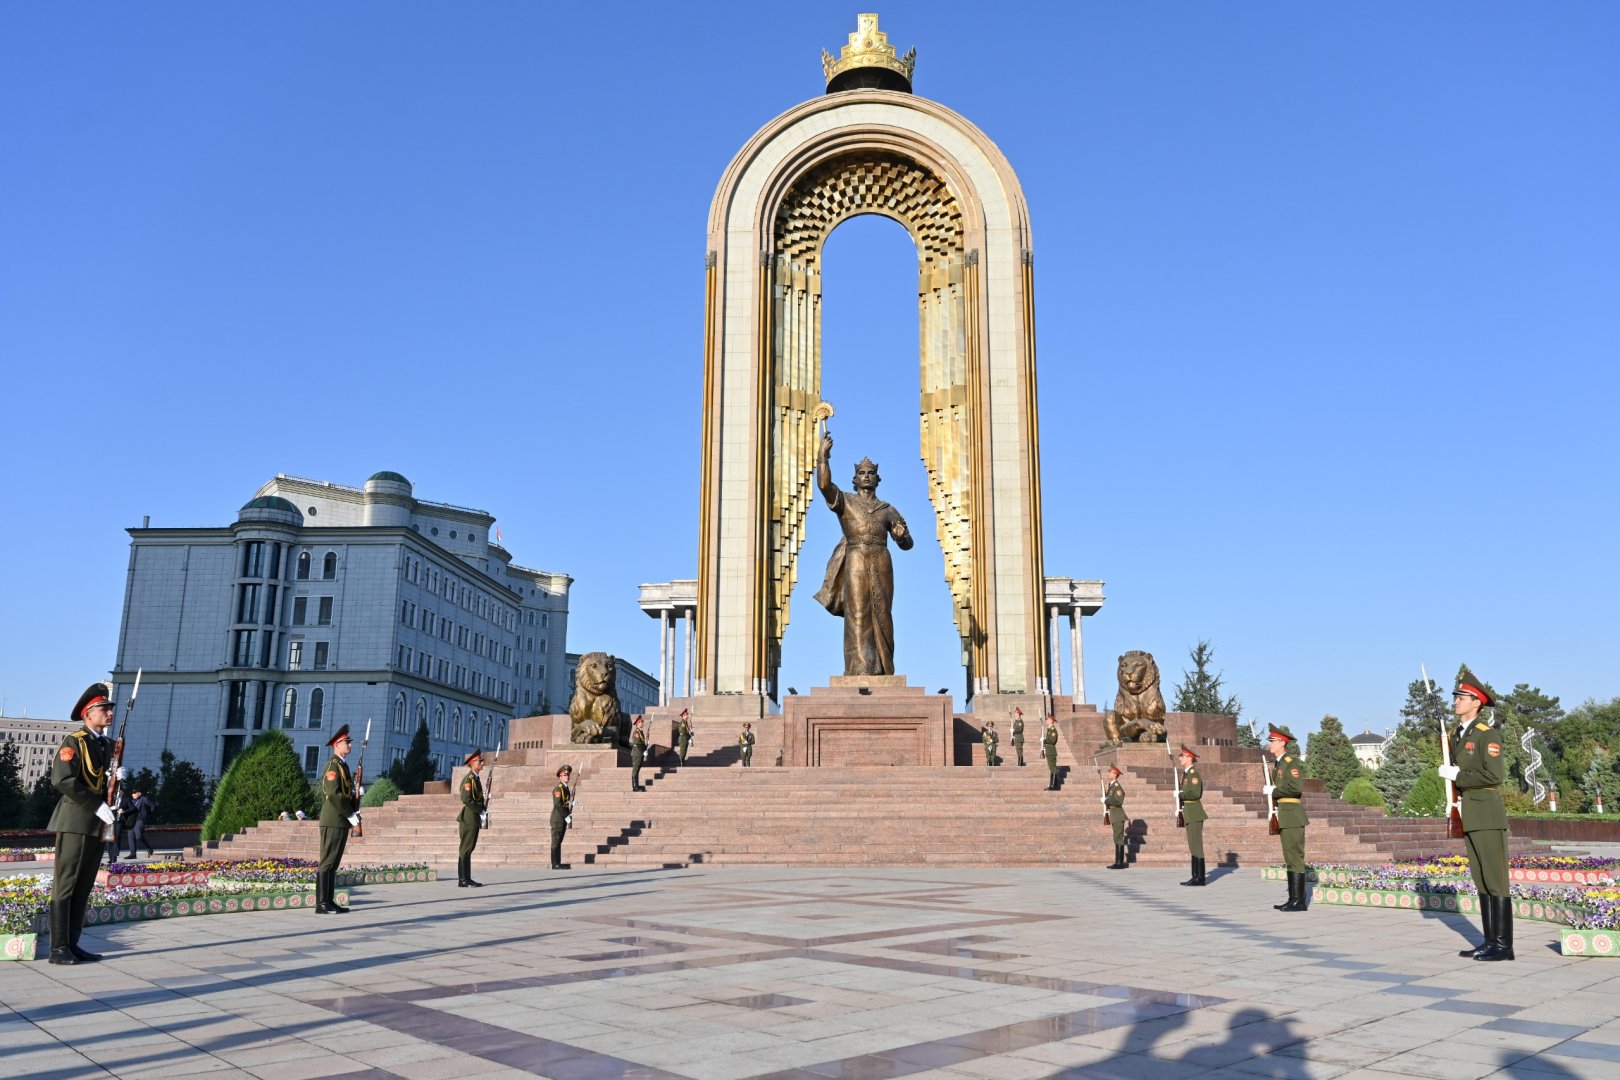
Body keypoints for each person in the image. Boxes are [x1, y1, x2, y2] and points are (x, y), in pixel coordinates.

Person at [812, 432, 914, 676]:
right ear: (855, 479)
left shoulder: (888, 510)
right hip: (856, 557)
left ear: (878, 479)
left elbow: (908, 544)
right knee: (857, 613)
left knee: (882, 613)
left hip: (881, 559)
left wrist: (901, 537)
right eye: (862, 473)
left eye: (870, 473)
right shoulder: (846, 501)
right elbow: (825, 486)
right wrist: (822, 458)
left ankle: (884, 670)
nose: (866, 476)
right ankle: (859, 670)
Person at [1441, 669, 1513, 961]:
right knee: (1481, 880)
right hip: (1469, 813)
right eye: (1456, 696)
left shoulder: (1486, 734)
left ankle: (1504, 945)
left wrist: (1459, 775)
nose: (1456, 701)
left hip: (1487, 813)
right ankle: (1490, 941)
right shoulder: (1455, 735)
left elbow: (1494, 775)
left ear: (1476, 703)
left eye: (1462, 697)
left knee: (1495, 880)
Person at [47, 683, 120, 964]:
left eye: (110, 709)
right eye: (104, 709)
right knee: (67, 884)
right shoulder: (74, 742)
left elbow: (107, 784)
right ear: (88, 714)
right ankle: (57, 948)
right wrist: (97, 804)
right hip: (77, 819)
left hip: (98, 824)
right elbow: (62, 780)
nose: (109, 713)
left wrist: (119, 779)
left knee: (85, 884)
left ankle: (72, 944)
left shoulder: (110, 745)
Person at [316, 725, 361, 914]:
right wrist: (350, 813)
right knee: (327, 861)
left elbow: (342, 792)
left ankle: (329, 900)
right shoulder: (333, 765)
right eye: (346, 742)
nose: (349, 745)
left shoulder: (342, 765)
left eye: (349, 742)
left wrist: (355, 794)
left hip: (339, 819)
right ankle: (321, 903)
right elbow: (333, 794)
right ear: (337, 745)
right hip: (333, 818)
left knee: (333, 863)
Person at [1266, 726, 1309, 911]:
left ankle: (1299, 902)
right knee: (1289, 858)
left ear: (1282, 743)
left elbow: (1296, 788)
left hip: (1292, 815)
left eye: (1272, 741)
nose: (1269, 744)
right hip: (1283, 814)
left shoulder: (1291, 763)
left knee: (1295, 858)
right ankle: (1292, 899)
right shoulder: (1279, 765)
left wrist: (1274, 790)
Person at [457, 750, 487, 888]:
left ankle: (466, 878)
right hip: (469, 817)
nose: (482, 763)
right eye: (480, 761)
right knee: (465, 849)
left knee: (468, 849)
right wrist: (480, 809)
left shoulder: (475, 778)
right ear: (472, 763)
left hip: (473, 817)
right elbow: (466, 799)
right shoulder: (469, 779)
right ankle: (463, 879)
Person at [1178, 746, 1207, 886]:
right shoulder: (1186, 774)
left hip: (1194, 812)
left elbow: (1195, 794)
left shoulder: (1193, 774)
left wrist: (1180, 794)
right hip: (1189, 811)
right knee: (1192, 845)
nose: (1180, 758)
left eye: (1182, 756)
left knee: (1197, 846)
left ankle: (1200, 878)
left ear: (1189, 758)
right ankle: (1195, 875)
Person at [1103, 766, 1128, 869]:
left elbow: (1118, 801)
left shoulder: (1117, 787)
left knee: (1118, 838)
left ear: (1115, 774)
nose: (1109, 773)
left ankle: (1119, 863)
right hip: (1114, 814)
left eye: (1110, 772)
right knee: (1116, 838)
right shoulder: (1112, 786)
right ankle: (1117, 862)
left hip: (1118, 815)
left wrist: (1106, 801)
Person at [550, 764, 573, 869]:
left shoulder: (566, 788)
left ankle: (558, 862)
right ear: (560, 776)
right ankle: (555, 864)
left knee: (559, 841)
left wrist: (571, 803)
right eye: (564, 775)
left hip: (562, 818)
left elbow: (565, 802)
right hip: (558, 819)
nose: (566, 777)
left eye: (568, 775)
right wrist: (566, 816)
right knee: (556, 840)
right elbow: (557, 804)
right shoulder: (559, 788)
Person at [125, 789, 155, 860]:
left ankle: (149, 848)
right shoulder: (131, 801)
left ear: (139, 793)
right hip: (132, 821)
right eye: (132, 793)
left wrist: (148, 815)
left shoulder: (144, 799)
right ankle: (133, 854)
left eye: (135, 793)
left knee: (138, 836)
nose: (133, 794)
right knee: (130, 836)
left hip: (140, 820)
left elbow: (152, 806)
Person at [630, 716, 647, 791]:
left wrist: (645, 749)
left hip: (640, 753)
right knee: (635, 770)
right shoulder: (636, 732)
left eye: (642, 721)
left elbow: (642, 743)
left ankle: (637, 785)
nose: (642, 723)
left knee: (637, 770)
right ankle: (634, 787)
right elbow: (637, 743)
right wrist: (643, 751)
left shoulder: (640, 732)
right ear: (637, 723)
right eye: (641, 722)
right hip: (637, 753)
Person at [1042, 716, 1059, 790]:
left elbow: (1052, 741)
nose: (1046, 720)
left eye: (1047, 719)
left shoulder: (1053, 730)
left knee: (1052, 767)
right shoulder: (1049, 730)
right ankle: (1053, 784)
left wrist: (1044, 740)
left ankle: (1053, 785)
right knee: (1051, 767)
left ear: (1051, 721)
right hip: (1049, 751)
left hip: (1051, 751)